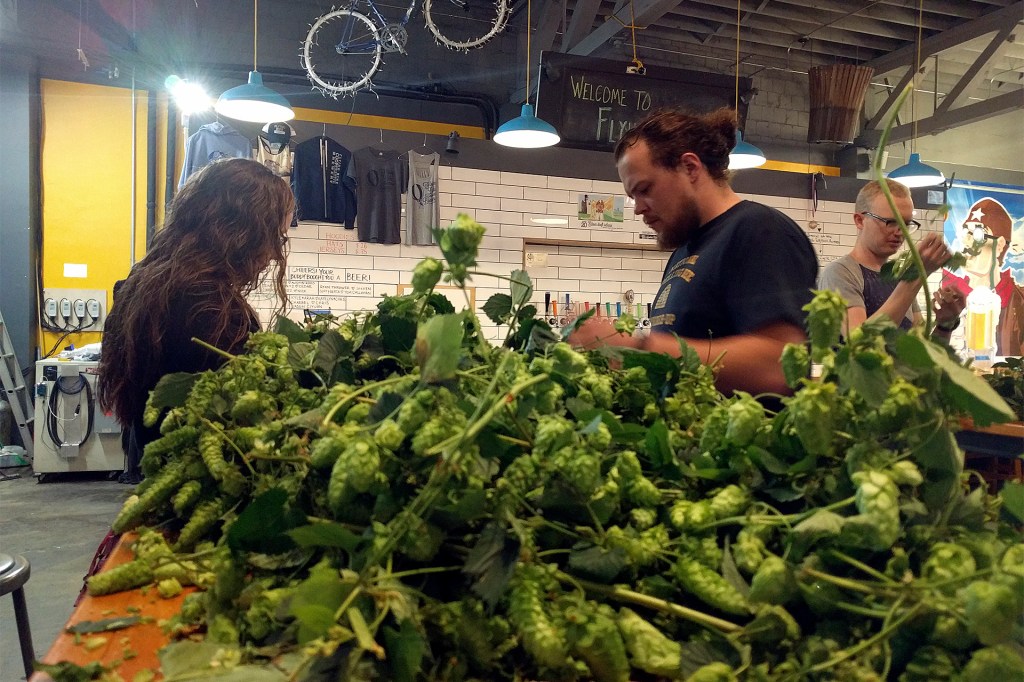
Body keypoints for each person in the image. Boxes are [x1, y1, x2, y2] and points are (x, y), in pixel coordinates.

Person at [568, 108, 818, 396]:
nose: (638, 208)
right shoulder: (685, 250)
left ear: (690, 167)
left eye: (645, 189)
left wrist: (637, 348)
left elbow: (780, 365)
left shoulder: (759, 230)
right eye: (632, 196)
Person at [98, 158, 293, 482]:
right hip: (200, 478)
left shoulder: (146, 281)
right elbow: (241, 420)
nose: (274, 254)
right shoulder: (210, 310)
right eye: (274, 237)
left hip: (159, 469)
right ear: (241, 232)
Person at [818, 178, 965, 341]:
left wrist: (945, 325)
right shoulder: (840, 273)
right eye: (891, 222)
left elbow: (920, 349)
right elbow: (859, 344)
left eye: (906, 224)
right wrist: (915, 276)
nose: (900, 232)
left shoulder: (897, 277)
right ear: (860, 220)